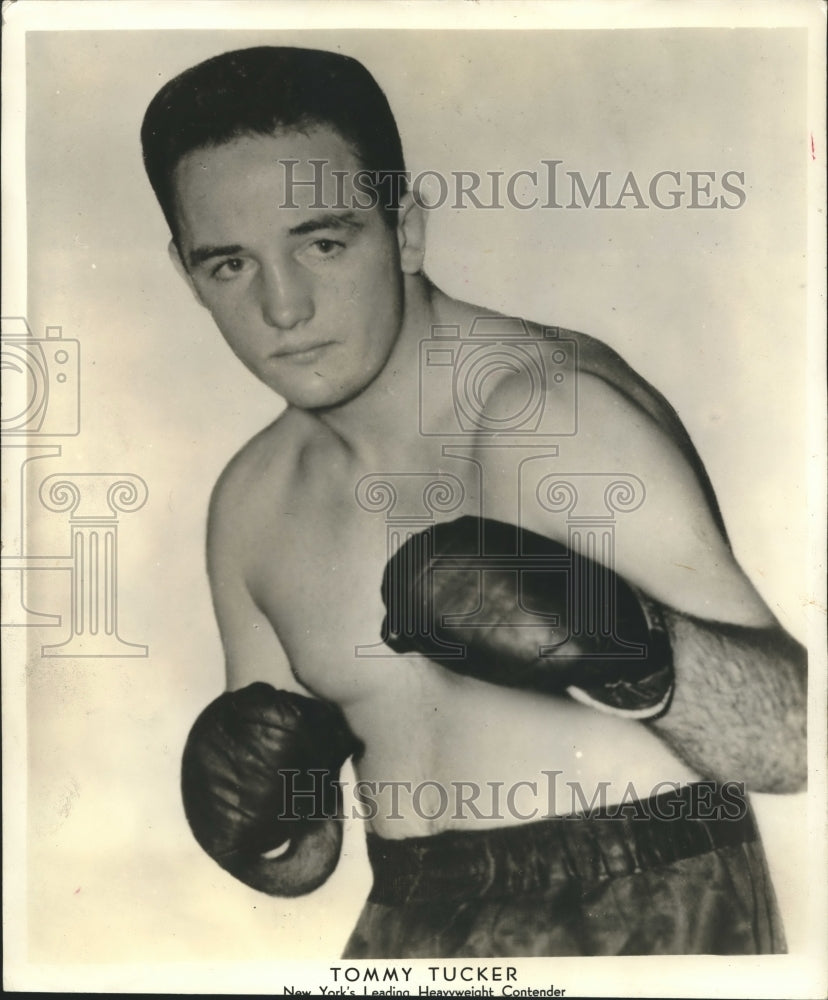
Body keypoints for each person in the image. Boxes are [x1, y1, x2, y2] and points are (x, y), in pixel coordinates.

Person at [141, 46, 806, 957]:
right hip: (409, 919)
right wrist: (259, 828)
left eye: (324, 242)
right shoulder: (253, 506)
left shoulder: (552, 417)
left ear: (406, 232)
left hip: (649, 913)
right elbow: (304, 858)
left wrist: (636, 652)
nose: (283, 307)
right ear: (187, 275)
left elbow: (796, 741)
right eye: (230, 266)